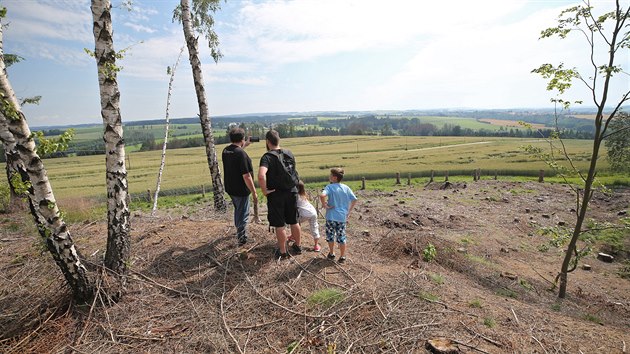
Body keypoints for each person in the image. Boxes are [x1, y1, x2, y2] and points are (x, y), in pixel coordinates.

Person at [258, 130, 302, 258]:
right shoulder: (289, 153)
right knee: (294, 221)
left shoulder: (267, 157)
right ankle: (298, 246)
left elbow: (261, 176)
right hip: (292, 191)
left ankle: (283, 252)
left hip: (276, 194)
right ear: (279, 140)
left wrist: (264, 190)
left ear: (267, 141)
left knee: (279, 224)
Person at [222, 127, 258, 246]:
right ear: (242, 138)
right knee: (243, 213)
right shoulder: (241, 154)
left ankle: (239, 231)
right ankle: (242, 238)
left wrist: (244, 146)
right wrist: (253, 191)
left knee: (238, 210)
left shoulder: (226, 150)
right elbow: (246, 176)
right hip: (240, 189)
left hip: (230, 187)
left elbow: (236, 154)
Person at [319, 167, 358, 264]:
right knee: (341, 237)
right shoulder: (346, 188)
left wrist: (324, 205)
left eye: (330, 175)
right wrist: (348, 211)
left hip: (331, 217)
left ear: (334, 178)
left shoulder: (329, 187)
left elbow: (322, 195)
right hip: (342, 217)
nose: (329, 177)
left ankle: (332, 253)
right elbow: (354, 199)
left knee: (330, 236)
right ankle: (342, 256)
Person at [295, 180, 321, 252]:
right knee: (314, 228)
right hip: (313, 212)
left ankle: (293, 236)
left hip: (303, 213)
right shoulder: (303, 195)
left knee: (294, 223)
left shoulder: (295, 196)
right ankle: (316, 245)